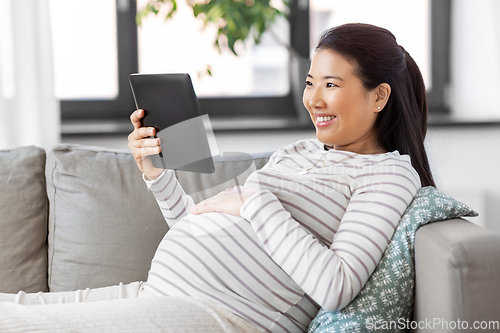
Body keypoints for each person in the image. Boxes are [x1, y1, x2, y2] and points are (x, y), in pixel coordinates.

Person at [0, 23, 433, 333]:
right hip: (162, 294)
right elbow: (200, 224)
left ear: (379, 95)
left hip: (223, 316)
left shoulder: (389, 175)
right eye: (309, 82)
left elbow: (335, 285)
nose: (313, 99)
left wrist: (254, 203)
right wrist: (155, 175)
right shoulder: (297, 152)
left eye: (332, 84)